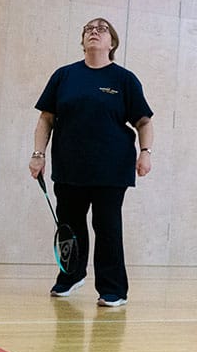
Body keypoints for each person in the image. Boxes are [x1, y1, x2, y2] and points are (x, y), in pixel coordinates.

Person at [28, 18, 154, 307]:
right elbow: (46, 119)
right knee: (69, 225)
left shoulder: (124, 80)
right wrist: (38, 154)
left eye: (101, 29)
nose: (94, 32)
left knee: (107, 226)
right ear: (82, 40)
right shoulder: (64, 76)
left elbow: (144, 121)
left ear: (112, 43)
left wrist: (145, 152)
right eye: (88, 29)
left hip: (111, 170)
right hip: (69, 167)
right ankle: (70, 276)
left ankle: (113, 289)